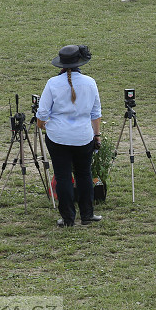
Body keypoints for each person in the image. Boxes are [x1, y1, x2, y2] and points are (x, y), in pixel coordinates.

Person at [36, 45, 103, 227]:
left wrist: (42, 126)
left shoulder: (52, 83)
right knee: (84, 175)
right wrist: (97, 135)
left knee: (63, 176)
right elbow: (95, 113)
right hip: (83, 136)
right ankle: (87, 215)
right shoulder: (90, 82)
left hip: (58, 137)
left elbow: (42, 113)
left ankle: (68, 218)